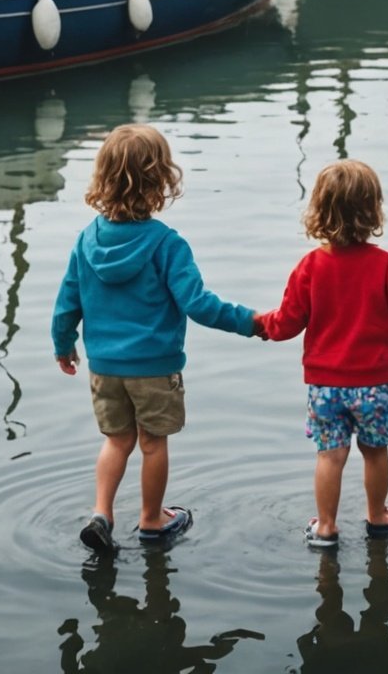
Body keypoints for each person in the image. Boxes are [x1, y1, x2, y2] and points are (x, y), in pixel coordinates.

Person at [52, 124, 264, 553]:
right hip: (153, 367)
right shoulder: (167, 244)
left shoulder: (86, 240)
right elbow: (198, 304)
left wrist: (63, 344)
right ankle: (152, 519)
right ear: (160, 180)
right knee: (152, 444)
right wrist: (251, 322)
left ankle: (101, 514)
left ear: (103, 177)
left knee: (117, 441)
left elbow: (66, 302)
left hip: (104, 368)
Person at [256, 159, 388, 548]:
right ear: (373, 210)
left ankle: (326, 528)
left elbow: (287, 323)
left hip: (324, 387)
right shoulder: (386, 265)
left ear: (318, 210)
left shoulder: (309, 267)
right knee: (375, 452)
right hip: (373, 386)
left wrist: (260, 324)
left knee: (329, 456)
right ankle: (378, 517)